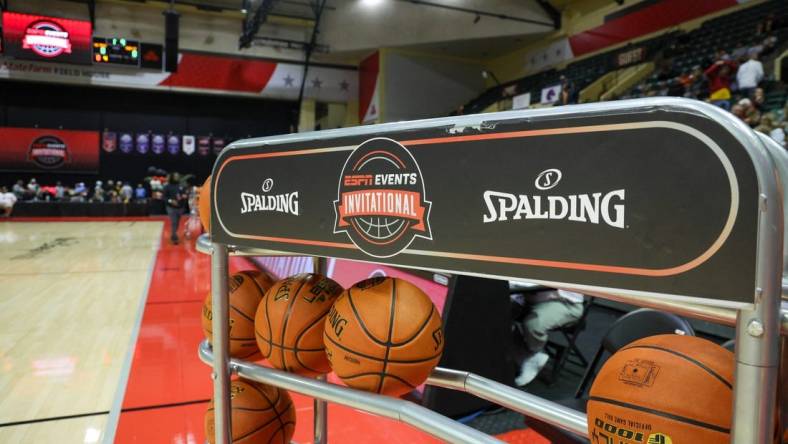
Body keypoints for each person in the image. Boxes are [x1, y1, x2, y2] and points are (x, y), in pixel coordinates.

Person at [512, 286, 585, 386]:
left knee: (534, 323)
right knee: (498, 311)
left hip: (564, 301)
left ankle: (532, 354)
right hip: (527, 297)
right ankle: (527, 355)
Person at [163, 173, 187, 244]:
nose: (177, 177)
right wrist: (170, 201)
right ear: (172, 177)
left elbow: (184, 194)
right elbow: (164, 197)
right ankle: (174, 237)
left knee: (177, 222)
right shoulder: (167, 187)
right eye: (175, 176)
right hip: (171, 207)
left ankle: (174, 233)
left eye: (177, 176)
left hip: (180, 207)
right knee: (174, 221)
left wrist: (184, 196)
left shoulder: (181, 186)